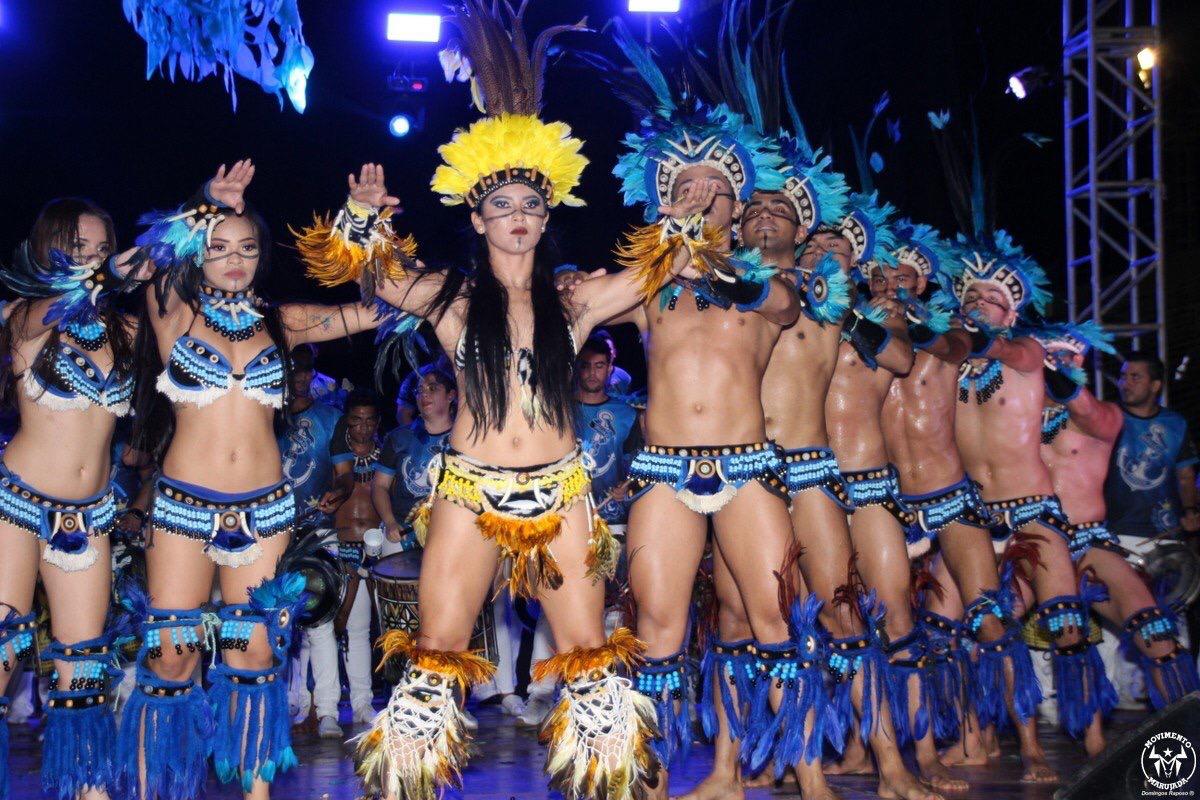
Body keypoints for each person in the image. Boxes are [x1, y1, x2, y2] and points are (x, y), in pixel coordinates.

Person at [296, 5, 675, 797]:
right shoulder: (452, 296)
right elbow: (369, 274)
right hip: (468, 492)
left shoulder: (576, 301)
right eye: (502, 205)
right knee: (435, 652)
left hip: (562, 490)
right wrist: (363, 219)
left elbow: (660, 270)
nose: (519, 217)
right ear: (476, 216)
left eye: (532, 206)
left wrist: (687, 208)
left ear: (547, 217)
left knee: (589, 660)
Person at [124, 159, 388, 800]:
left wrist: (364, 226)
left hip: (265, 514)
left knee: (255, 657)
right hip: (185, 509)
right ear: (199, 255)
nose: (234, 259)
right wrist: (203, 206)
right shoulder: (172, 311)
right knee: (172, 655)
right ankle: (155, 786)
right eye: (218, 248)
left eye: (246, 248)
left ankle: (256, 794)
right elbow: (131, 265)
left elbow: (376, 308)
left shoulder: (284, 321)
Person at [874, 223, 1036, 790]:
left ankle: (1030, 743)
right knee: (894, 629)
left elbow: (953, 348)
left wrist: (916, 323)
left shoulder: (948, 331)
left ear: (924, 281)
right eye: (888, 270)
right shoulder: (862, 331)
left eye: (908, 273)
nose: (896, 279)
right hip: (887, 499)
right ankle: (908, 748)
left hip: (948, 493)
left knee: (987, 617)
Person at [0, 198, 144, 800]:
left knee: (84, 663)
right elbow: (49, 311)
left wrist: (198, 225)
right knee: (3, 647)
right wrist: (107, 276)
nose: (93, 261)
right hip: (17, 503)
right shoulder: (25, 317)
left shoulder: (127, 331)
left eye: (102, 250)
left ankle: (90, 791)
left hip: (90, 514)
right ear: (47, 252)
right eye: (78, 249)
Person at [950, 233, 1092, 784]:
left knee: (1067, 627)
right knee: (989, 624)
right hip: (972, 515)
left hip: (1033, 509)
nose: (977, 304)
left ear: (1011, 310)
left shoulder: (1028, 353)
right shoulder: (948, 362)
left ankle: (1097, 740)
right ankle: (1025, 744)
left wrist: (979, 338)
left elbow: (1008, 350)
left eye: (990, 297)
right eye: (971, 296)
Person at [1037, 322, 1195, 751]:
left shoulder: (1106, 416)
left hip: (1091, 539)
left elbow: (1080, 405)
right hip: (1034, 541)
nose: (1057, 364)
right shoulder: (1016, 415)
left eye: (1066, 358)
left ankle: (1186, 743)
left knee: (1156, 631)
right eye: (1049, 357)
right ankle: (1090, 751)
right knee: (1064, 634)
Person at [518, 332, 643, 728]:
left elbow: (641, 467)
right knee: (552, 608)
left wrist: (633, 483)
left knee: (612, 610)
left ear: (611, 365)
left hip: (615, 523)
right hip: (562, 524)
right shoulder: (557, 409)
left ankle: (601, 691)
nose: (592, 373)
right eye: (585, 365)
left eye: (600, 365)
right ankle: (540, 692)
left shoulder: (628, 415)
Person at [278, 345, 343, 732]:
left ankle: (329, 710)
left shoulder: (331, 418)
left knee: (320, 624)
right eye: (293, 371)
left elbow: (345, 473)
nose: (300, 378)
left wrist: (341, 491)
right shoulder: (266, 416)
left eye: (306, 371)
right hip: (271, 531)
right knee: (278, 620)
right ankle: (288, 703)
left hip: (318, 529)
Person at [1104, 354, 1200, 543]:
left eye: (1135, 377)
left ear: (1155, 386)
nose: (1125, 383)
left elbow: (1186, 476)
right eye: (1123, 376)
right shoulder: (1108, 418)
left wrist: (1191, 511)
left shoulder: (1175, 424)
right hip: (1114, 532)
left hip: (1165, 533)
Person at [373, 363, 455, 550]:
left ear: (451, 395)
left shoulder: (465, 439)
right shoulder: (398, 437)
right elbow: (379, 485)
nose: (423, 394)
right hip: (403, 533)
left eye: (432, 388)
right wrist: (390, 522)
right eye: (419, 390)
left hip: (450, 535)